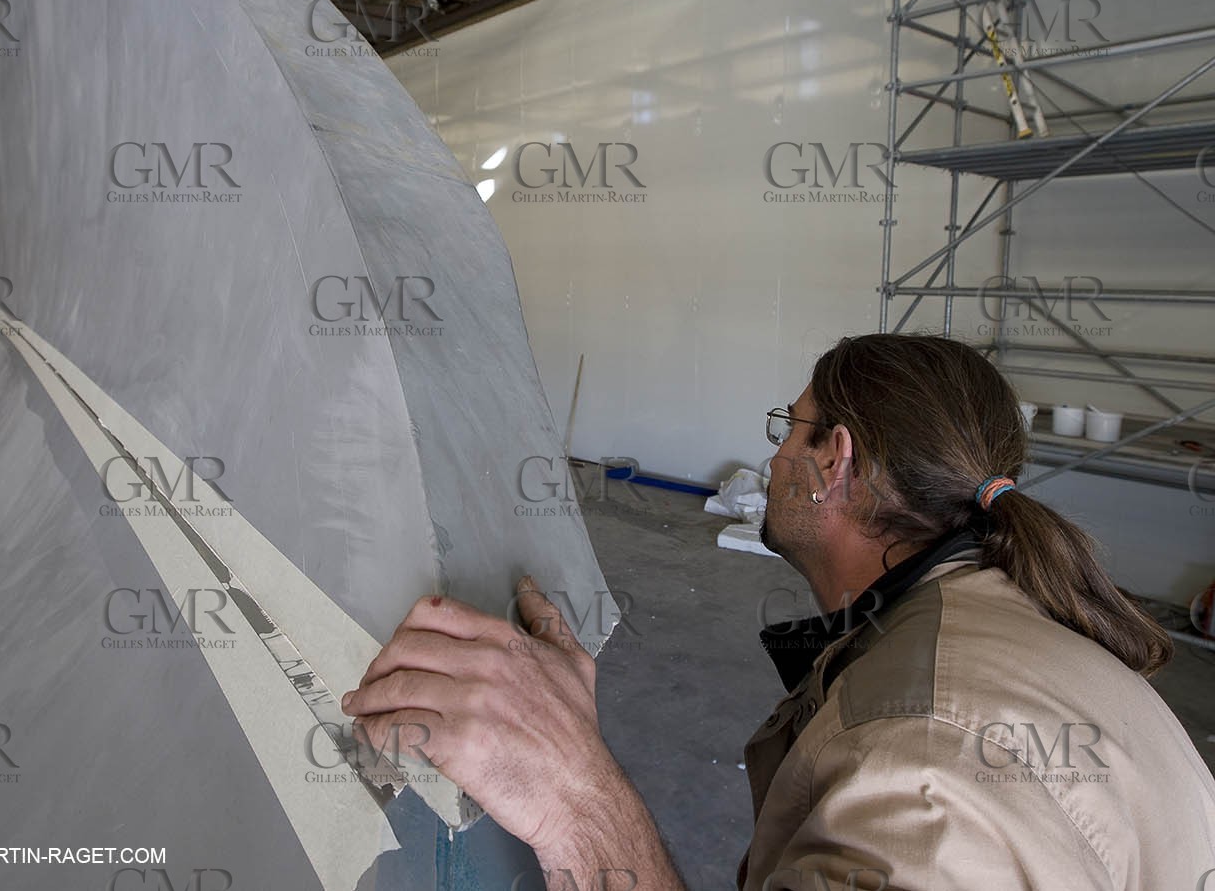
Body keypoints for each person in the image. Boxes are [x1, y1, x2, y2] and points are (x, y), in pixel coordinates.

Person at [342, 333, 1215, 890]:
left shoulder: (926, 768)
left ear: (835, 459)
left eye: (787, 428)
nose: (771, 458)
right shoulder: (1008, 623)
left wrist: (578, 798)